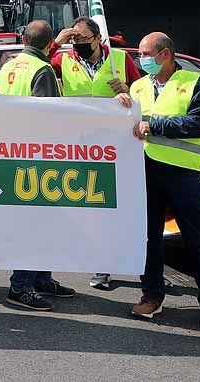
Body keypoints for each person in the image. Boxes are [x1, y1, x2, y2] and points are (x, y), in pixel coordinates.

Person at [124, 32, 200, 331]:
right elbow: (130, 121)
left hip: (183, 173)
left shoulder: (196, 84)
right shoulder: (139, 86)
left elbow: (198, 123)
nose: (141, 60)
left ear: (165, 54)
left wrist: (153, 125)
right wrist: (122, 103)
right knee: (148, 238)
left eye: (145, 54)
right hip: (146, 169)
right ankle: (152, 294)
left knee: (197, 240)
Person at [51, 16, 142, 290]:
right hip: (79, 145)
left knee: (118, 206)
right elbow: (38, 61)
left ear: (98, 38)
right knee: (90, 206)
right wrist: (58, 42)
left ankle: (134, 264)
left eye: (82, 38)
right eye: (73, 39)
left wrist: (128, 91)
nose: (77, 43)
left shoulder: (119, 59)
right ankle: (101, 264)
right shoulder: (64, 60)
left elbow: (143, 92)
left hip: (117, 146)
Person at [0, 20, 77, 311]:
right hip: (36, 157)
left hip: (12, 152)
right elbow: (48, 119)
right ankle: (21, 286)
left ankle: (41, 277)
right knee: (35, 224)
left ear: (23, 38)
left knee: (41, 223)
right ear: (49, 41)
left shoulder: (9, 66)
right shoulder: (42, 71)